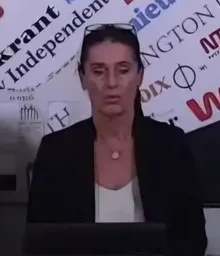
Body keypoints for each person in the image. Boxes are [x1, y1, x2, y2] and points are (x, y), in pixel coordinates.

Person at [26, 23, 206, 256]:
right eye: (98, 71)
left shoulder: (171, 145)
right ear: (82, 78)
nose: (111, 83)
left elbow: (193, 240)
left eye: (123, 70)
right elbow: (39, 244)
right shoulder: (55, 150)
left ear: (140, 76)